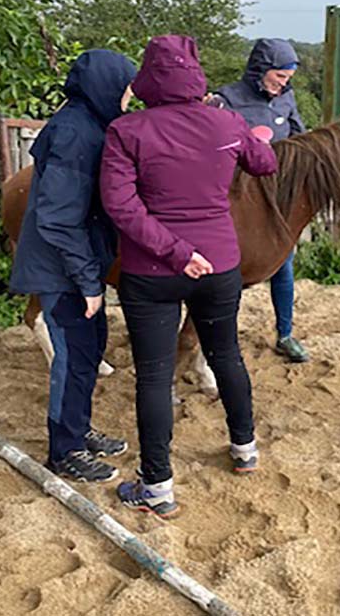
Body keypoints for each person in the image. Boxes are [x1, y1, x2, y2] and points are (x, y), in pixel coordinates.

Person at [100, 34, 278, 518]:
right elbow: (265, 164)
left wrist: (175, 252)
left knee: (155, 376)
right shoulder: (226, 120)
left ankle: (157, 485)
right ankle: (244, 447)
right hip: (220, 262)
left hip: (152, 268)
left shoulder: (126, 130)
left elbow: (119, 204)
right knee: (227, 354)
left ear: (147, 79)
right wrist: (256, 137)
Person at [8, 49, 137, 483]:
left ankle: (78, 431)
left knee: (89, 349)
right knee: (72, 357)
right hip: (60, 269)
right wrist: (87, 281)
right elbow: (59, 218)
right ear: (105, 87)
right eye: (125, 91)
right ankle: (64, 452)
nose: (127, 100)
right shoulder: (73, 134)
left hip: (75, 266)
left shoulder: (87, 124)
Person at [207, 38, 310, 363]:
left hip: (275, 200)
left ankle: (285, 333)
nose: (285, 83)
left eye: (288, 77)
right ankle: (221, 338)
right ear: (260, 70)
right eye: (279, 76)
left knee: (283, 264)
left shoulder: (287, 100)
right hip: (236, 199)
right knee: (230, 271)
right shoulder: (226, 99)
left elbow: (300, 140)